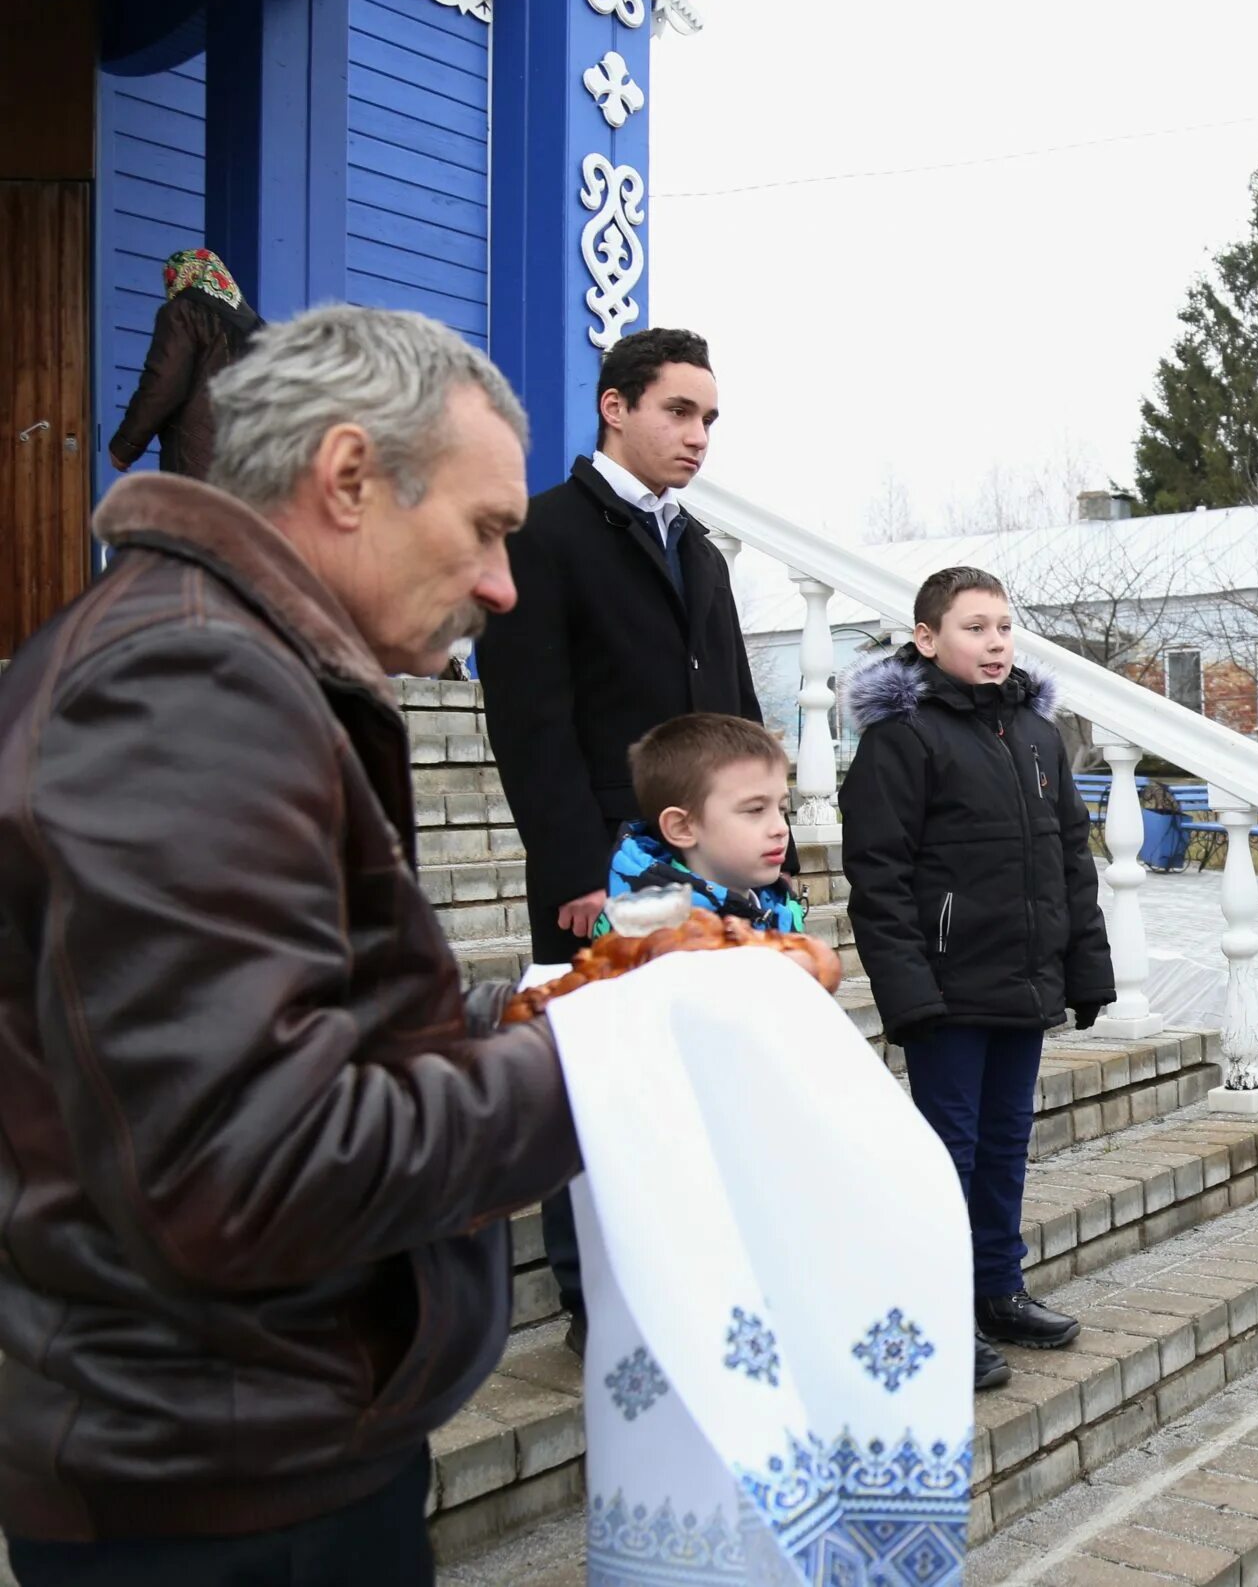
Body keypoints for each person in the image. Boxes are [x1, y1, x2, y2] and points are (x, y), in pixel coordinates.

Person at [0, 305, 580, 1585]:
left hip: (261, 1453)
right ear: (350, 477)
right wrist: (606, 1065)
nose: (502, 585)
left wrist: (529, 1016)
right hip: (217, 1502)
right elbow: (243, 1170)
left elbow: (312, 1038)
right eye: (486, 530)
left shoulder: (229, 664)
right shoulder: (186, 687)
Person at [474, 325, 772, 1356]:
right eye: (678, 412)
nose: (698, 437)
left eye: (709, 419)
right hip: (596, 866)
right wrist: (568, 872)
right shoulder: (543, 533)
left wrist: (750, 852)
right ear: (616, 405)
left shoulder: (700, 553)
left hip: (695, 871)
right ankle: (588, 1299)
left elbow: (733, 721)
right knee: (593, 1079)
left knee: (691, 1073)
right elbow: (529, 721)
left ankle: (678, 1273)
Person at [840, 567, 1115, 1393]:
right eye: (974, 627)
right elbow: (878, 877)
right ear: (927, 639)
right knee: (946, 1157)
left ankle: (996, 1287)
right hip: (948, 992)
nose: (995, 643)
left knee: (1003, 1147)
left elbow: (1071, 855)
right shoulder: (905, 738)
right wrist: (909, 993)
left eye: (1003, 627)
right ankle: (937, 1309)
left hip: (1021, 981)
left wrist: (1084, 966)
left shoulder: (1035, 735)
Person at [596, 713, 807, 937]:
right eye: (755, 809)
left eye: (782, 808)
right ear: (682, 828)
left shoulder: (778, 910)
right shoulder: (652, 939)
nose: (781, 828)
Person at [106, 247, 265, 478]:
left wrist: (126, 445)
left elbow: (164, 384)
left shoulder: (184, 312)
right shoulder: (258, 329)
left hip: (200, 464)